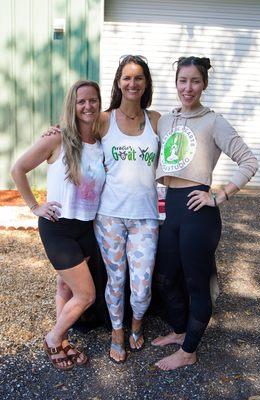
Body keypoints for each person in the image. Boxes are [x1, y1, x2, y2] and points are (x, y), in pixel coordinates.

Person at [151, 56, 258, 370]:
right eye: (182, 81)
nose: (188, 88)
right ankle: (181, 331)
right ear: (176, 83)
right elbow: (127, 122)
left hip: (197, 211)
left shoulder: (214, 121)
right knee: (165, 278)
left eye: (194, 81)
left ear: (204, 84)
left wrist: (220, 194)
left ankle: (189, 350)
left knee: (196, 282)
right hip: (168, 207)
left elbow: (249, 162)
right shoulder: (166, 120)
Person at [11, 80, 106, 370]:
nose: (87, 106)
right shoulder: (57, 139)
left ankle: (63, 339)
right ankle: (53, 338)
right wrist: (34, 206)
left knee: (65, 289)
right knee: (86, 295)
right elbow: (18, 169)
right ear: (72, 106)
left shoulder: (101, 142)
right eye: (81, 102)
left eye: (92, 100)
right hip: (59, 227)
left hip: (86, 227)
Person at [93, 55, 161, 363]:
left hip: (145, 217)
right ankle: (117, 331)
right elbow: (75, 138)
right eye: (126, 77)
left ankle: (137, 323)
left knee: (142, 284)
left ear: (146, 84)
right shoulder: (104, 120)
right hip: (109, 216)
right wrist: (53, 133)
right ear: (118, 83)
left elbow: (187, 139)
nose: (132, 83)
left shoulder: (157, 120)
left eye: (138, 78)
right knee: (116, 279)